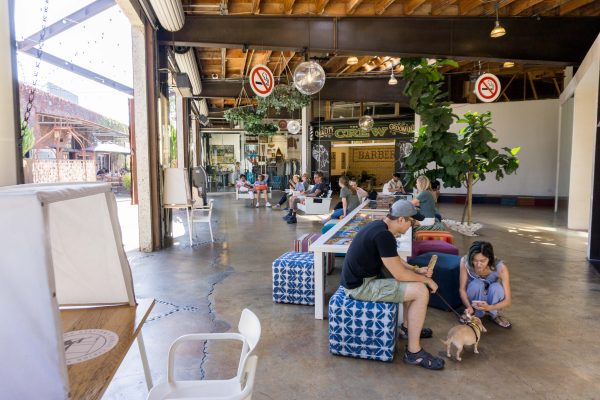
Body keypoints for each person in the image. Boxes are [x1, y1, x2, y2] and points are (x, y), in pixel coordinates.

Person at [340, 200, 444, 370]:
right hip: (359, 287)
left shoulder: (379, 226)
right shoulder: (384, 235)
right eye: (411, 221)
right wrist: (427, 280)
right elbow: (399, 274)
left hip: (362, 280)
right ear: (401, 219)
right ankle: (413, 353)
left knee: (413, 281)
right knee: (421, 291)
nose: (412, 225)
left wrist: (417, 270)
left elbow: (394, 261)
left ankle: (406, 329)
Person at [459, 241, 512, 329]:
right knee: (477, 284)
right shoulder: (465, 262)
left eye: (483, 261)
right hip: (474, 297)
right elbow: (462, 289)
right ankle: (473, 312)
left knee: (497, 288)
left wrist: (490, 307)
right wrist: (468, 306)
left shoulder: (501, 267)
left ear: (490, 259)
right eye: (475, 260)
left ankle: (494, 315)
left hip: (491, 298)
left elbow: (508, 300)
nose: (478, 265)